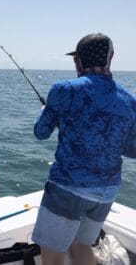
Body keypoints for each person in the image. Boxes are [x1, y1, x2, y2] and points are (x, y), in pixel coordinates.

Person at [31, 33, 136, 265]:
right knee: (81, 245)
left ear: (78, 61)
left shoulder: (64, 90)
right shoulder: (129, 100)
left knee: (52, 254)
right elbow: (132, 149)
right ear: (111, 58)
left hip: (69, 188)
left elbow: (40, 133)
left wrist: (47, 112)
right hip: (107, 191)